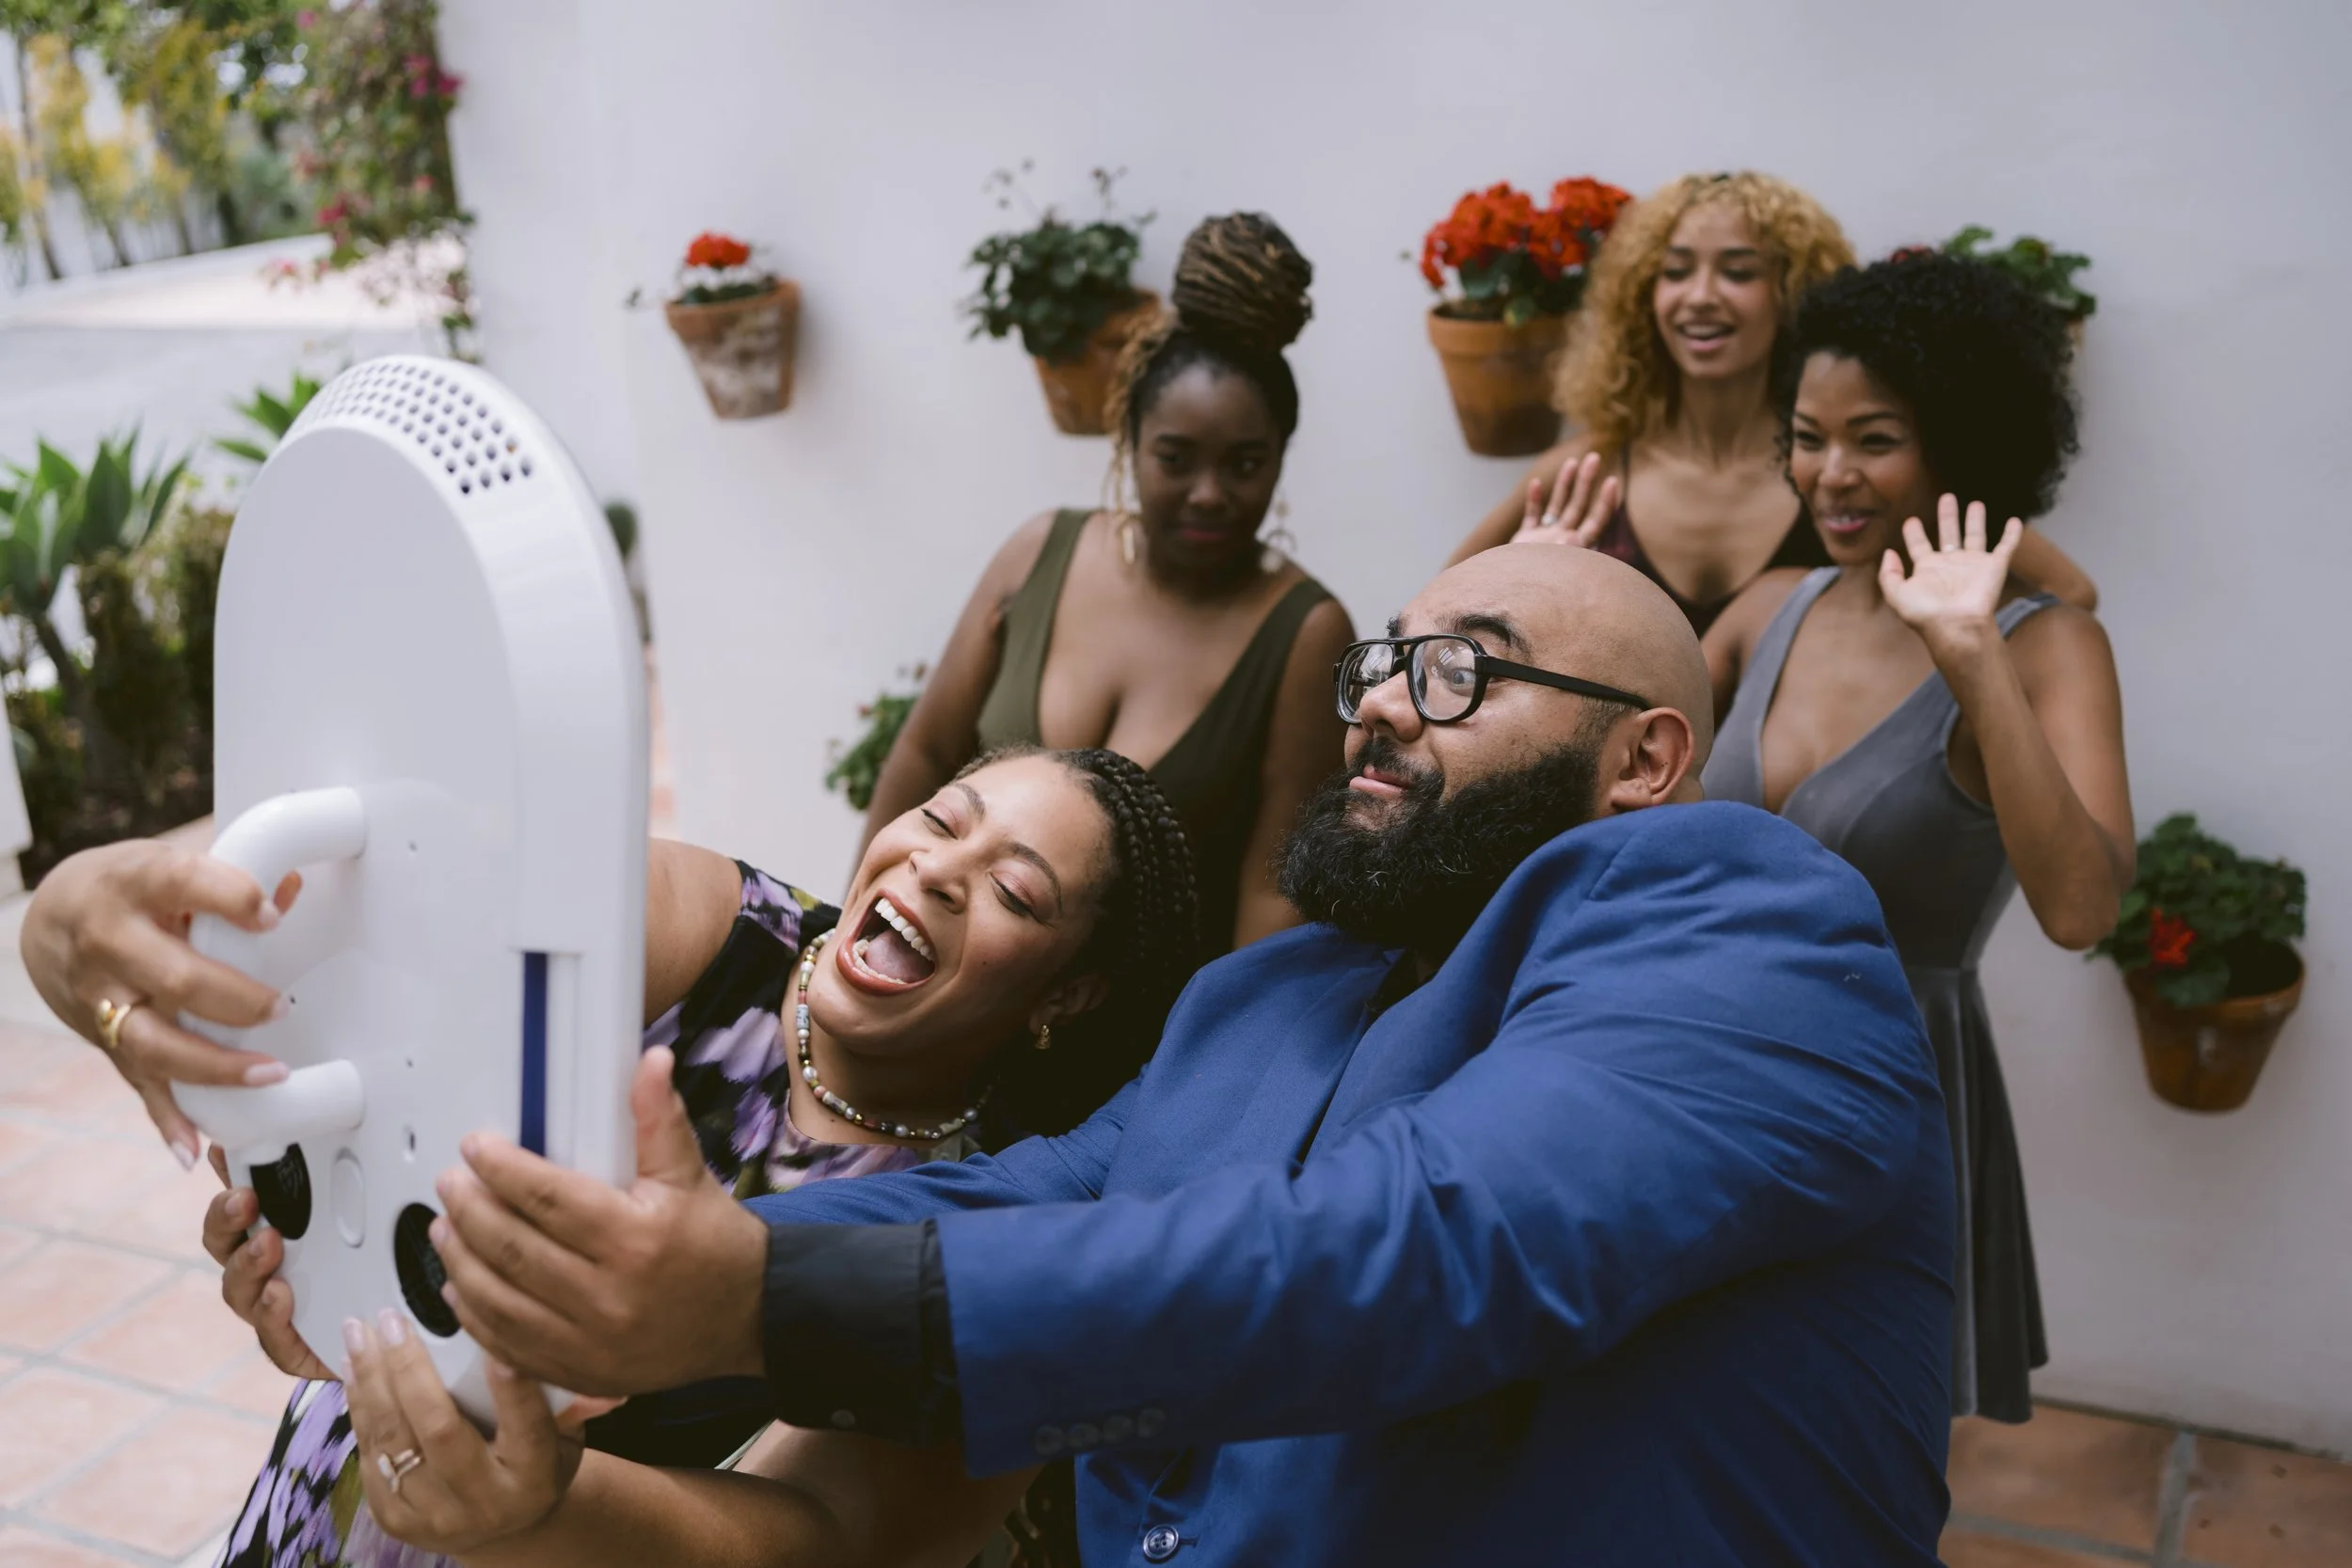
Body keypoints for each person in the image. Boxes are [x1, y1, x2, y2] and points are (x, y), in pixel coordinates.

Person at [346, 544, 1961, 1566]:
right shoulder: (1267, 998)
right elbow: (1026, 1200)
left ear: (1646, 758)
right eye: (1380, 664)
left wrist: (749, 1300)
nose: (1382, 708)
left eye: (1458, 671)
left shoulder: (1750, 919)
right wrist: (543, 1263)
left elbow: (1426, 1245)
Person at [22, 746, 1200, 1568]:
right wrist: (81, 917)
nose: (938, 867)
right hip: (325, 1504)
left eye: (1013, 891)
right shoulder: (715, 928)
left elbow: (830, 1538)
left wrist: (530, 1499)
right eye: (942, 819)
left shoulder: (1002, 1225)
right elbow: (394, 924)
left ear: (1067, 995)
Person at [1700, 250, 2135, 1421]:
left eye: (1875, 439)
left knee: (1847, 1447)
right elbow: (1617, 802)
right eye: (1807, 436)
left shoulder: (2048, 648)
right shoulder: (1764, 610)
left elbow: (2081, 908)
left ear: (1959, 446)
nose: (1829, 473)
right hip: (1709, 1067)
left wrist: (1970, 656)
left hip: (1885, 1088)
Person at [862, 212, 1356, 956]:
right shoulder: (1037, 554)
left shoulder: (1304, 632)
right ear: (1129, 441)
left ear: (1281, 459)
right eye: (1176, 458)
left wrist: (1218, 1030)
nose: (1209, 493)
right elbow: (925, 755)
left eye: (1245, 464)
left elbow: (1272, 889)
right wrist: (850, 925)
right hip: (949, 974)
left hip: (1151, 1016)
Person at [1446, 170, 2101, 628]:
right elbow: (1436, 611)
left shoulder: (1846, 467)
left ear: (1791, 294)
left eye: (1738, 271)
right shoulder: (1586, 472)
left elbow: (2069, 592)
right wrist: (1522, 589)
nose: (1701, 295)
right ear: (1642, 298)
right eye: (1675, 271)